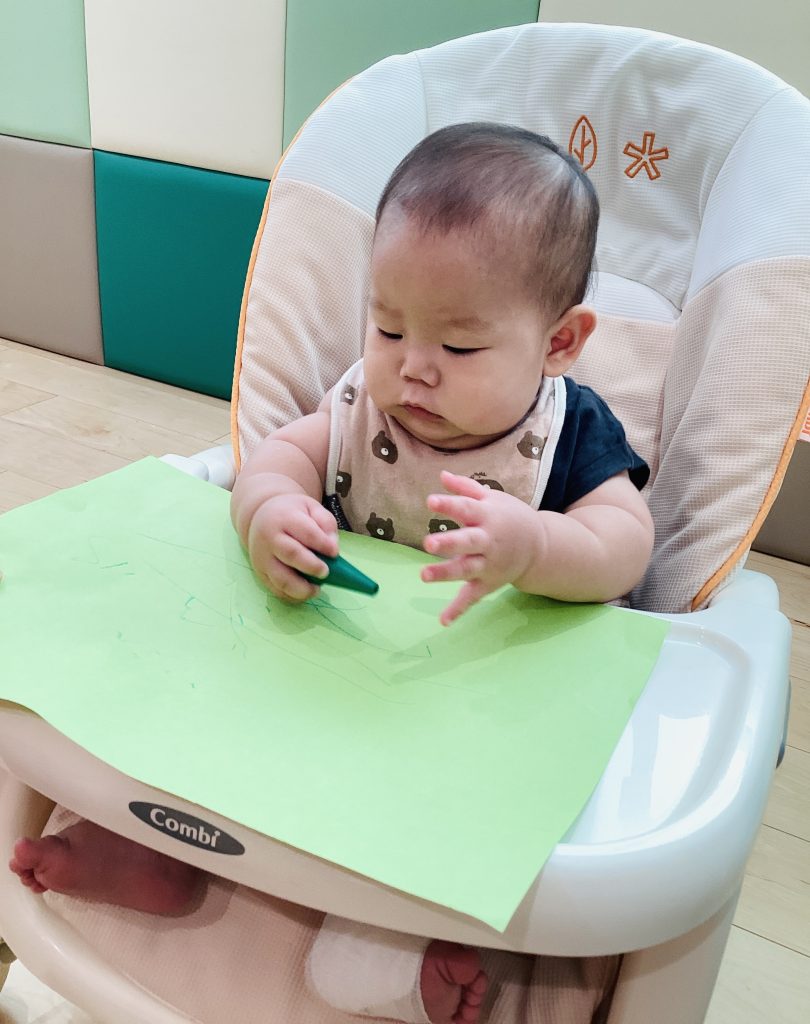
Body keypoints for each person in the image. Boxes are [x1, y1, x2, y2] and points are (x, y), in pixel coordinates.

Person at [10, 123, 653, 1024]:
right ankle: (150, 848)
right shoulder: (361, 406)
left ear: (559, 343)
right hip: (331, 680)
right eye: (389, 326)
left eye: (461, 348)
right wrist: (271, 512)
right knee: (209, 714)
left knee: (434, 821)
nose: (414, 367)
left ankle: (386, 948)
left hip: (475, 705)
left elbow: (627, 543)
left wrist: (536, 548)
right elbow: (275, 460)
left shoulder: (570, 434)